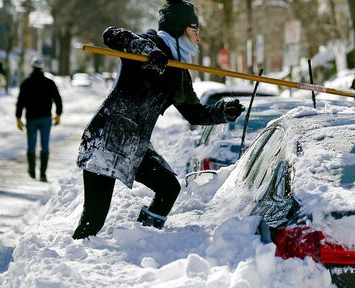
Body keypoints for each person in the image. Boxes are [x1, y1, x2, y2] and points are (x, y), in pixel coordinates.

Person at [72, 0, 245, 239]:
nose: (199, 39)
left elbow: (194, 113)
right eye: (196, 31)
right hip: (107, 140)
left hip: (135, 145)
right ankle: (71, 256)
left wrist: (222, 111)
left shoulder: (179, 72)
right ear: (180, 29)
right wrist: (148, 52)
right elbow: (111, 34)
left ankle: (144, 237)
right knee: (94, 220)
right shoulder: (149, 43)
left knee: (168, 188)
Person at [15, 57, 63, 182]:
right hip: (46, 119)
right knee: (45, 146)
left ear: (32, 67)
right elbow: (58, 99)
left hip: (31, 119)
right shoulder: (49, 83)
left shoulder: (26, 83)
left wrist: (18, 117)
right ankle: (43, 174)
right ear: (42, 68)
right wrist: (58, 114)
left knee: (31, 146)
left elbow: (20, 102)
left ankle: (32, 172)